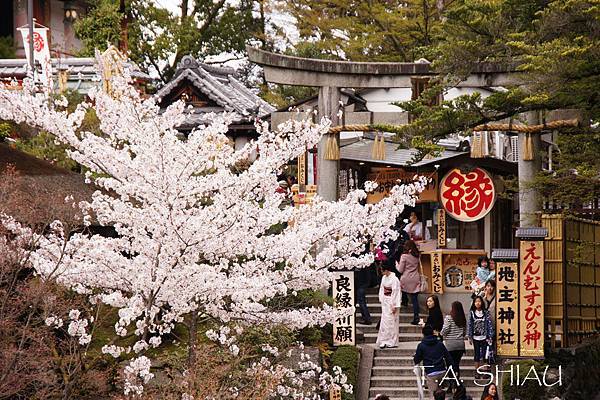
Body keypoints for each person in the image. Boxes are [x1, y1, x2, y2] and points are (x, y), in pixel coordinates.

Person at [414, 325, 453, 400]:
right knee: (441, 395)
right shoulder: (440, 344)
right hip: (442, 371)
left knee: (433, 396)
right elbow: (448, 357)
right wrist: (452, 369)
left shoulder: (421, 345)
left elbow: (417, 360)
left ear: (423, 334)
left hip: (431, 373)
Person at [440, 301, 467, 386]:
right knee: (456, 364)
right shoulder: (462, 318)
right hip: (460, 345)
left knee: (450, 365)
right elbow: (464, 332)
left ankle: (452, 383)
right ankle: (456, 381)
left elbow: (445, 329)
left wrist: (440, 334)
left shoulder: (449, 318)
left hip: (450, 345)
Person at [376, 263, 402, 349]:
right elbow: (381, 289)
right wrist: (382, 299)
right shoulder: (384, 278)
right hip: (385, 301)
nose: (381, 272)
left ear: (386, 270)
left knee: (391, 322)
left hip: (392, 301)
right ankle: (383, 340)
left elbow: (397, 292)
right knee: (384, 322)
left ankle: (392, 341)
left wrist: (394, 305)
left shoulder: (395, 279)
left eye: (382, 270)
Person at [396, 240, 421, 325]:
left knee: (401, 292)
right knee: (414, 299)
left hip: (406, 278)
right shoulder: (417, 256)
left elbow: (400, 270)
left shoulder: (404, 256)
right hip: (415, 277)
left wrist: (396, 264)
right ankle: (416, 317)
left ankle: (404, 302)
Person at [467, 296, 494, 373]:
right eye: (476, 302)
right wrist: (470, 336)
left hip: (485, 337)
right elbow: (470, 325)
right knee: (477, 354)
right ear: (474, 303)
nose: (477, 303)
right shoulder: (472, 313)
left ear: (482, 302)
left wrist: (490, 335)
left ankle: (485, 370)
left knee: (485, 354)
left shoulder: (485, 312)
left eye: (479, 301)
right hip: (476, 337)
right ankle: (477, 371)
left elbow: (489, 324)